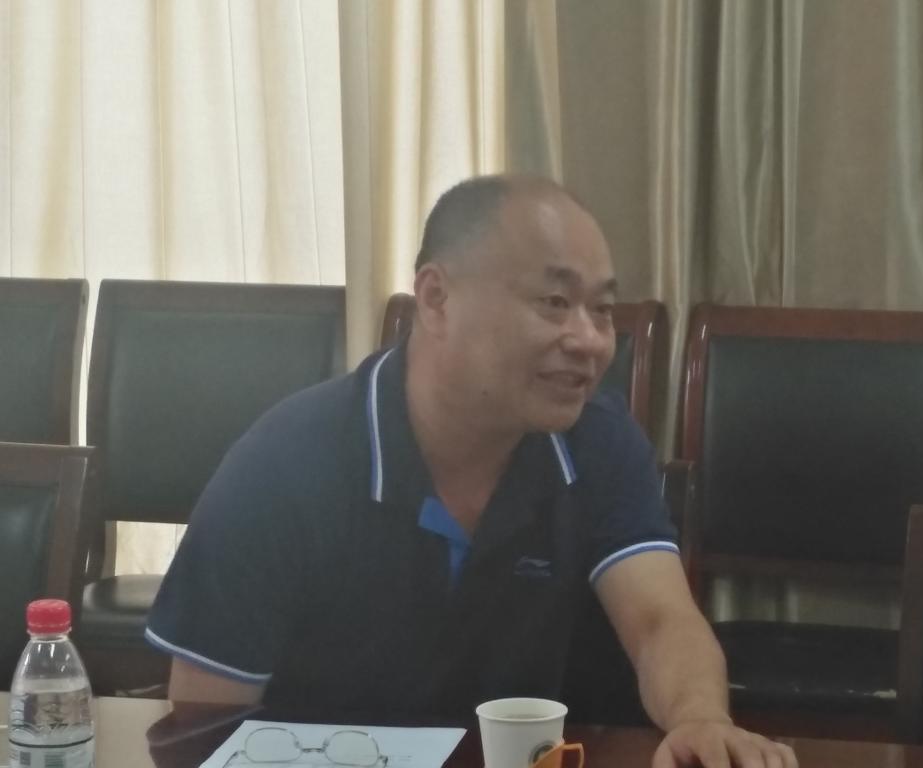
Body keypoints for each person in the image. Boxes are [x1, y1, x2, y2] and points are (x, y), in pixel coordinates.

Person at [145, 174, 797, 768]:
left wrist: (700, 719)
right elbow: (204, 728)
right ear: (436, 299)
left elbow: (660, 621)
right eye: (554, 301)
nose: (591, 340)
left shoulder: (595, 443)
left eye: (601, 309)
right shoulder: (284, 466)